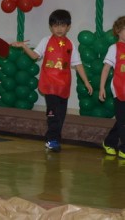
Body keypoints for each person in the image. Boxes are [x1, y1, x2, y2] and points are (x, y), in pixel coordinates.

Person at [11, 9, 93, 152]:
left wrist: (86, 82)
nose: (59, 29)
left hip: (63, 86)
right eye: (55, 25)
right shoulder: (46, 41)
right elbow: (35, 56)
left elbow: (78, 64)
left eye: (62, 25)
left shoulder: (70, 44)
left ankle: (54, 139)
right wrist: (24, 46)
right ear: (51, 27)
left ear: (68, 26)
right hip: (49, 85)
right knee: (52, 113)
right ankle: (52, 139)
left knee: (60, 115)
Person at [99, 16, 125, 159]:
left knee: (122, 120)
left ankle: (109, 142)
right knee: (123, 120)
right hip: (119, 89)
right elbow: (105, 69)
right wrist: (102, 88)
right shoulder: (114, 48)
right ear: (118, 31)